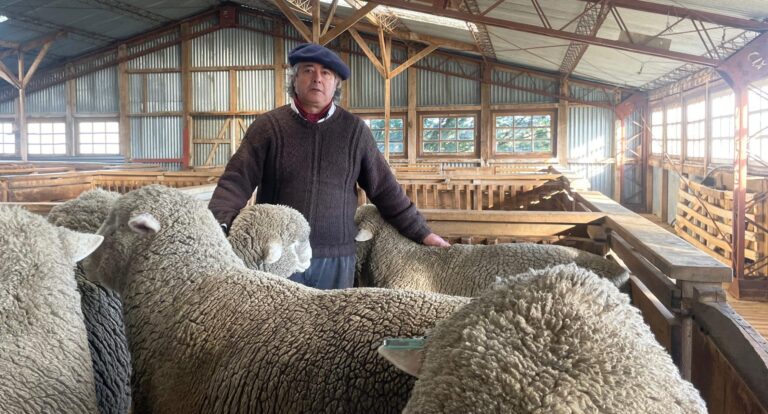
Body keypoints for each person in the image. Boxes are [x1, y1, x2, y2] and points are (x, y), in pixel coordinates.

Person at [208, 43, 449, 289]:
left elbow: (385, 189)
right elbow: (237, 180)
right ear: (295, 79)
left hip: (336, 258)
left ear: (336, 84)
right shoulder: (268, 126)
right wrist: (218, 223)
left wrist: (422, 232)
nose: (317, 79)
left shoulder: (354, 131)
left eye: (326, 73)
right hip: (277, 253)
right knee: (275, 325)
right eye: (308, 70)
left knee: (332, 327)